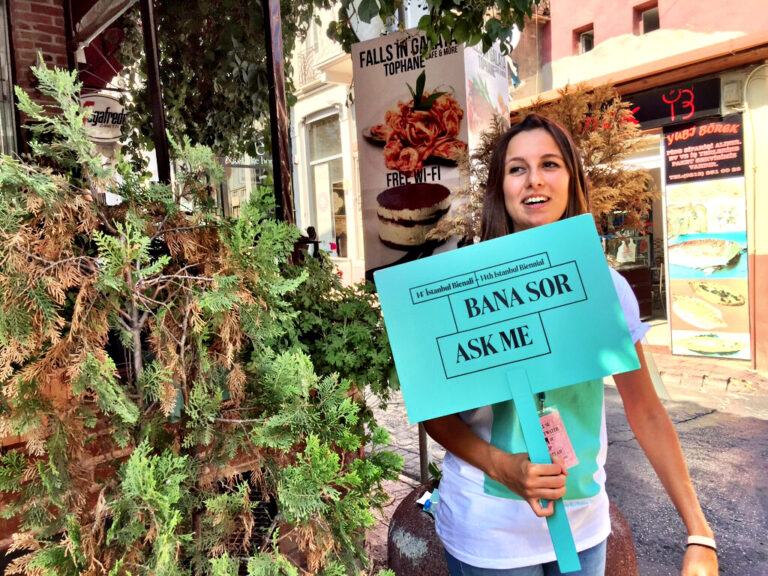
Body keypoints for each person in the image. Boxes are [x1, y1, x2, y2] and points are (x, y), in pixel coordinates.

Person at [424, 114, 718, 576]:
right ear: (500, 187)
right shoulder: (463, 288)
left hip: (582, 531)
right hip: (489, 534)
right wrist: (502, 467)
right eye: (517, 168)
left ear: (571, 179)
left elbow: (645, 412)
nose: (534, 179)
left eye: (550, 164)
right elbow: (434, 413)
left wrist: (699, 531)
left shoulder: (606, 288)